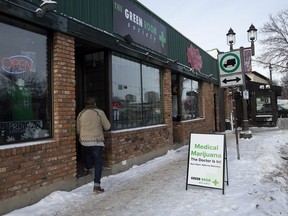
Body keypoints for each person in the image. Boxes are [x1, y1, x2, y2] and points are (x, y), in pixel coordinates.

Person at [77, 97, 111, 193]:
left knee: (87, 156)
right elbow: (107, 126)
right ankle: (97, 186)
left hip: (84, 141)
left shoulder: (80, 114)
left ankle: (88, 168)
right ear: (95, 103)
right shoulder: (99, 112)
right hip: (97, 141)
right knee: (98, 163)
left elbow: (78, 130)